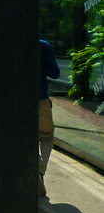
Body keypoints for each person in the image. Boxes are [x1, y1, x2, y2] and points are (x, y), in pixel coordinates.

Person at [39, 39, 61, 198]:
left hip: (16, 103)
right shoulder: (43, 45)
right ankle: (39, 171)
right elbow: (55, 73)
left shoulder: (12, 44)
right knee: (46, 136)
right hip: (40, 99)